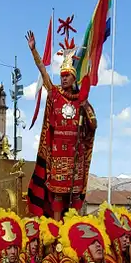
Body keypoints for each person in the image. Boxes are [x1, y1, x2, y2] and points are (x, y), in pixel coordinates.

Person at [25, 30, 97, 219]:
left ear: (74, 79)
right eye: (62, 75)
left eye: (67, 75)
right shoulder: (55, 94)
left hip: (76, 156)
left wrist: (84, 106)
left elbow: (93, 124)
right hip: (57, 154)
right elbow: (43, 72)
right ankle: (55, 230)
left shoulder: (81, 101)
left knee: (74, 196)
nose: (63, 78)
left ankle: (71, 228)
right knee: (57, 194)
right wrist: (34, 51)